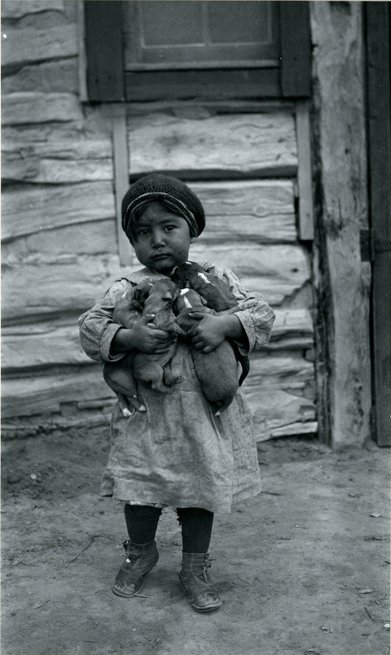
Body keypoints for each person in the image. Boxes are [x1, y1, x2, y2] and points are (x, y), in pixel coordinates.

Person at [79, 174, 275, 613]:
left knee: (199, 490)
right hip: (148, 413)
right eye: (143, 233)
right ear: (133, 242)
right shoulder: (127, 287)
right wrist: (128, 340)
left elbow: (261, 314)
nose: (158, 241)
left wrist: (223, 324)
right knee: (140, 488)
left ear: (191, 229)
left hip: (205, 411)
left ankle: (194, 565)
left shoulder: (215, 278)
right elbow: (90, 327)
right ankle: (141, 551)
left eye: (169, 227)